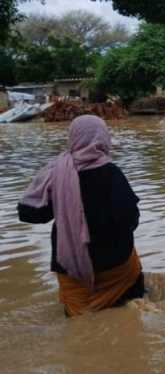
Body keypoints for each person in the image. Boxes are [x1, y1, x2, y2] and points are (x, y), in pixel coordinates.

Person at [17, 115, 144, 317]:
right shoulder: (111, 173)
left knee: (78, 321)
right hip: (116, 264)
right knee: (132, 311)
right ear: (103, 137)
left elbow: (29, 214)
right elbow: (130, 218)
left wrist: (63, 203)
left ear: (73, 137)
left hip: (70, 267)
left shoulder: (55, 172)